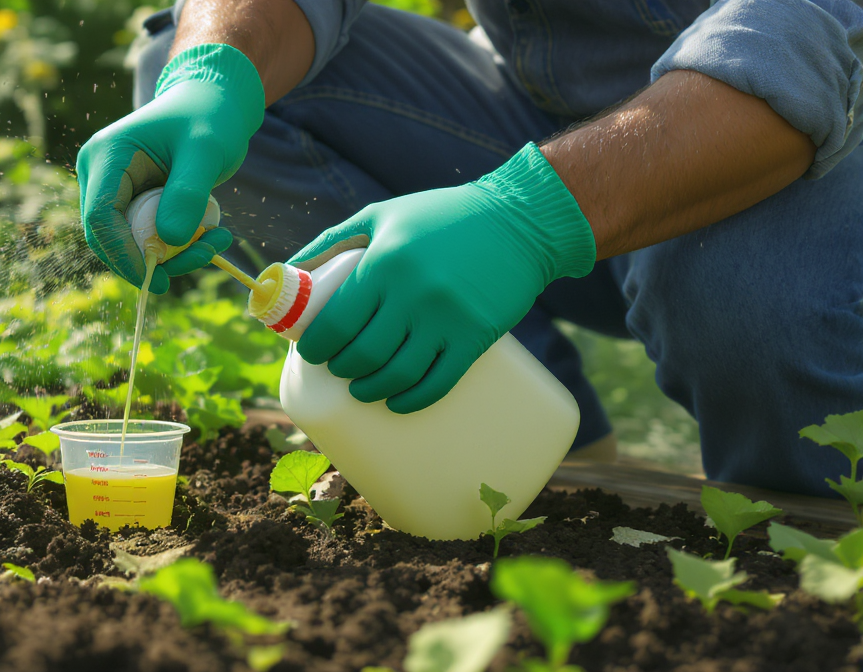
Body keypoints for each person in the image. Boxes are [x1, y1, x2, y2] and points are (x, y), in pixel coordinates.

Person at [75, 0, 863, 498]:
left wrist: (523, 216)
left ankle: (803, 566)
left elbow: (800, 38)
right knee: (191, 60)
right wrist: (210, 71)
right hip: (555, 115)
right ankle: (545, 461)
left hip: (808, 131)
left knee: (741, 292)